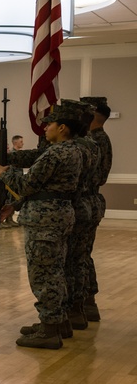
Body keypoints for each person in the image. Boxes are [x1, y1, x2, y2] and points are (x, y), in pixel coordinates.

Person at [0, 101, 83, 350]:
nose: (45, 129)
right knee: (55, 270)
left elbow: (26, 184)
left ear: (62, 128)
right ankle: (58, 322)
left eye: (50, 125)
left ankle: (49, 329)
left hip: (46, 219)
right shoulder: (74, 150)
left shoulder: (57, 152)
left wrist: (1, 172)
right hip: (57, 216)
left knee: (44, 273)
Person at [79, 96, 113, 321]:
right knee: (82, 255)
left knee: (79, 257)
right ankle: (87, 303)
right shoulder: (98, 138)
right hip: (90, 200)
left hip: (85, 200)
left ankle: (83, 303)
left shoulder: (95, 140)